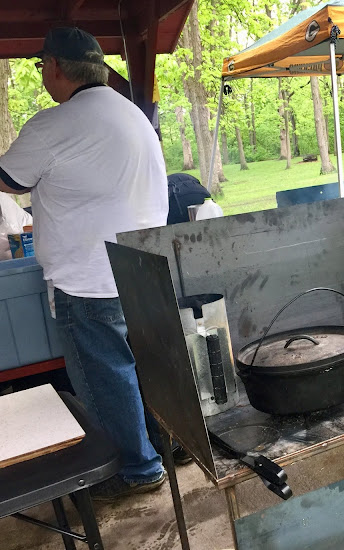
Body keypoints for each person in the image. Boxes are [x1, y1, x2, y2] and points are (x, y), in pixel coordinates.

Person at [0, 27, 168, 500]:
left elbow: (9, 181)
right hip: (142, 271)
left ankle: (135, 470)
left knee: (106, 379)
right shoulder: (131, 114)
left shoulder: (57, 123)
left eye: (40, 68)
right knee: (147, 370)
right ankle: (163, 448)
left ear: (54, 67)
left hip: (90, 280)